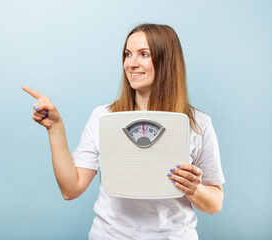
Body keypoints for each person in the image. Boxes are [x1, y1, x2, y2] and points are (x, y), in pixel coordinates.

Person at [22, 23, 225, 239]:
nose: (131, 64)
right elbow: (71, 189)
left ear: (167, 61)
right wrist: (55, 128)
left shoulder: (198, 123)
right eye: (128, 54)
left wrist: (195, 189)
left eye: (144, 54)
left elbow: (215, 204)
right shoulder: (103, 117)